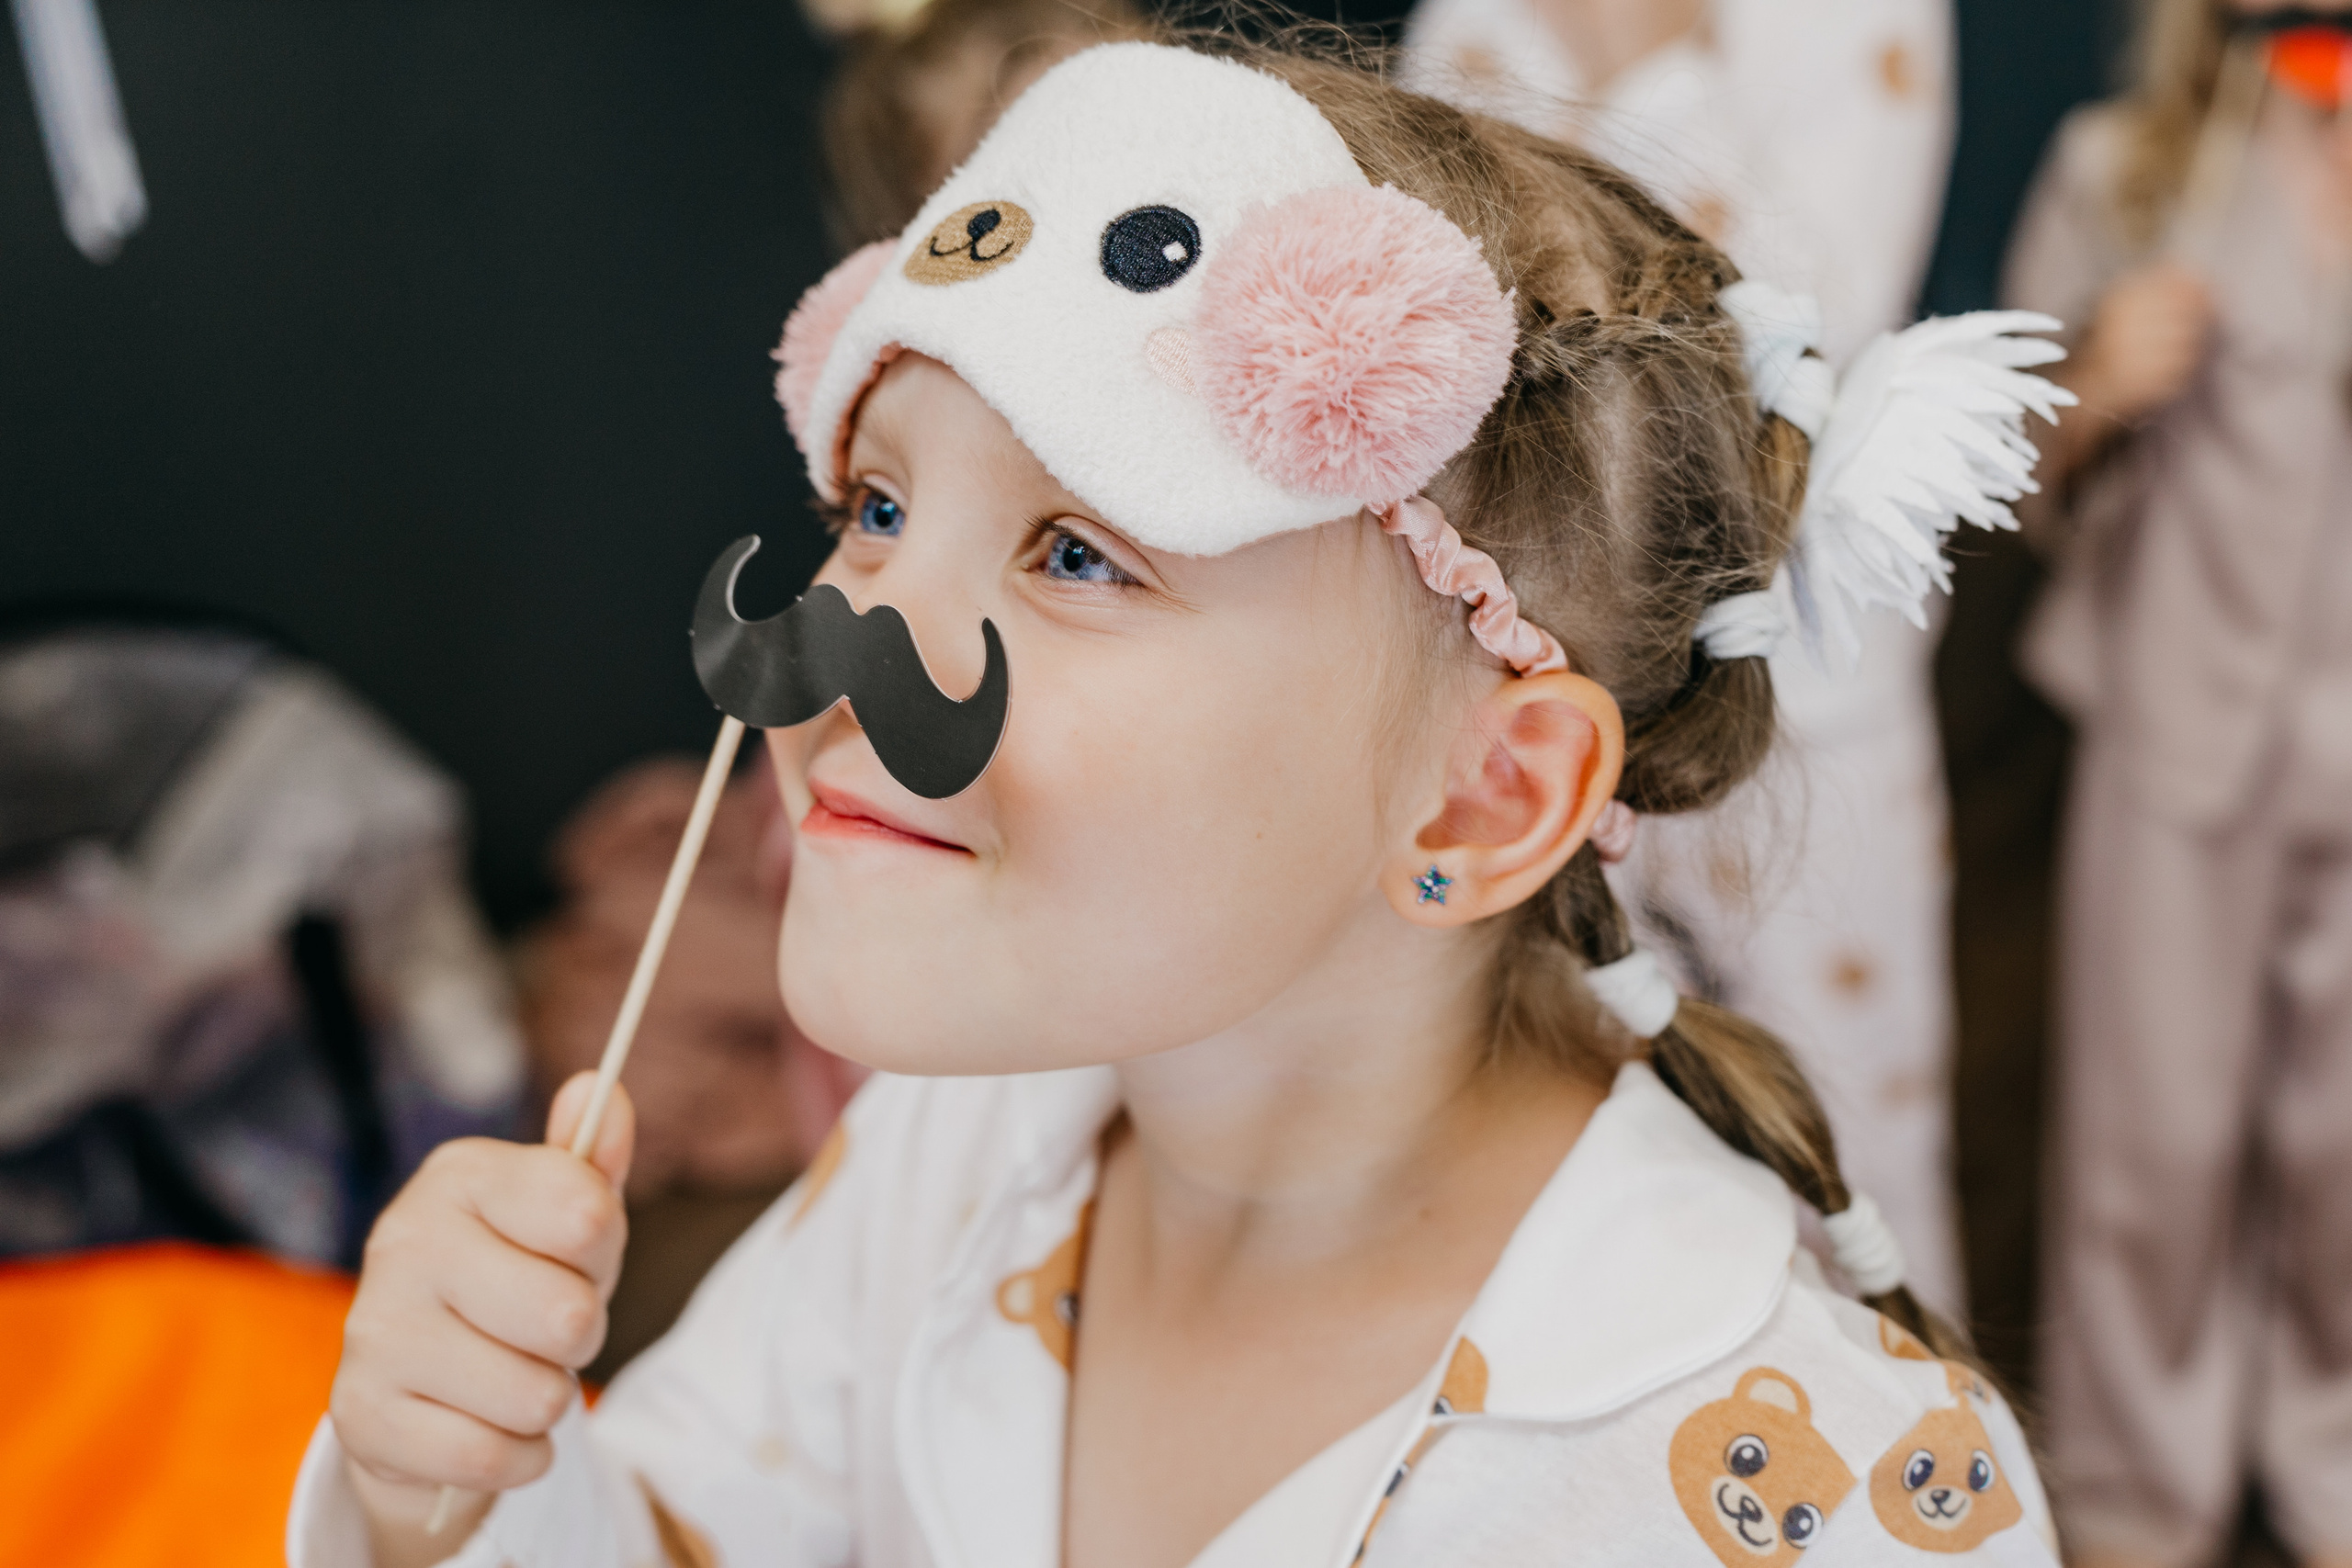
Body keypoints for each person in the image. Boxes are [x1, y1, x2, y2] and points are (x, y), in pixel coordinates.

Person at [296, 39, 2065, 1567]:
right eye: (882, 509)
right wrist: (442, 1493)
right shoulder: (958, 1154)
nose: (847, 637)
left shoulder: (1798, 1488)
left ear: (1481, 801)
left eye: (1078, 554)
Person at [1400, 0, 1973, 1317]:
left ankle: (1913, 1483)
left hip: (1810, 670)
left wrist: (1641, 52)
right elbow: (1443, 311)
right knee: (1572, 1104)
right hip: (1544, 658)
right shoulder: (1474, 16)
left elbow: (1804, 338)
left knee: (1856, 1120)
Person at [2005, 3, 2352, 1562]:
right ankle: (2138, 1504)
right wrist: (2093, 381)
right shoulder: (2124, 169)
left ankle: (2334, 1467)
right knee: (2151, 1145)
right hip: (2180, 711)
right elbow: (2006, 473)